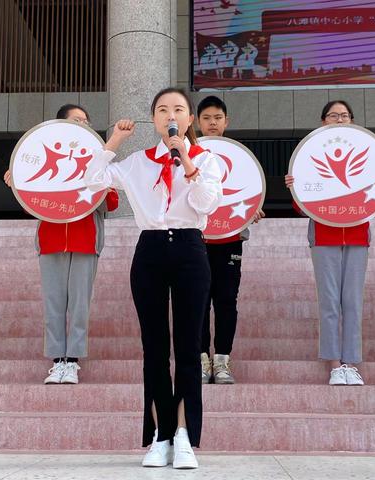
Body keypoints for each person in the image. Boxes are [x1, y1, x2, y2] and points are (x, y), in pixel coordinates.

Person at [83, 87, 222, 469]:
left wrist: (187, 161)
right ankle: (160, 436)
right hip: (150, 250)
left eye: (178, 109)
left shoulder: (208, 160)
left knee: (189, 345)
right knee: (155, 349)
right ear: (155, 119)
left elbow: (206, 203)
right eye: (162, 110)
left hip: (192, 248)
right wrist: (113, 140)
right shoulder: (139, 162)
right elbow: (94, 180)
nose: (170, 115)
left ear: (189, 119)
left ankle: (184, 436)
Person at [285, 100, 375, 386]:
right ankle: (335, 364)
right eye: (333, 115)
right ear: (323, 121)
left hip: (358, 234)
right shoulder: (310, 155)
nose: (339, 119)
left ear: (352, 120)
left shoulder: (368, 152)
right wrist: (295, 188)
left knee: (352, 301)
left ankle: (351, 363)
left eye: (344, 115)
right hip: (324, 235)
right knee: (330, 302)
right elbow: (302, 207)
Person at [4, 104, 119, 384]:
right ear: (61, 126)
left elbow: (112, 203)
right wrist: (17, 184)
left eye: (86, 120)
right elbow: (31, 206)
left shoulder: (99, 161)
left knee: (79, 305)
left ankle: (73, 361)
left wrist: (100, 182)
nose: (83, 124)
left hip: (85, 240)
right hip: (51, 241)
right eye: (76, 120)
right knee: (54, 304)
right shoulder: (46, 161)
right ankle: (57, 361)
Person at [197, 95, 264, 384]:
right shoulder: (187, 154)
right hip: (195, 241)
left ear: (226, 121)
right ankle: (201, 360)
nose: (212, 123)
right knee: (197, 301)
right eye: (207, 118)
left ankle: (222, 361)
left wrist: (252, 209)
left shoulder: (240, 156)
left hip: (230, 240)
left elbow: (250, 193)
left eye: (218, 118)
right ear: (196, 122)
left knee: (226, 301)